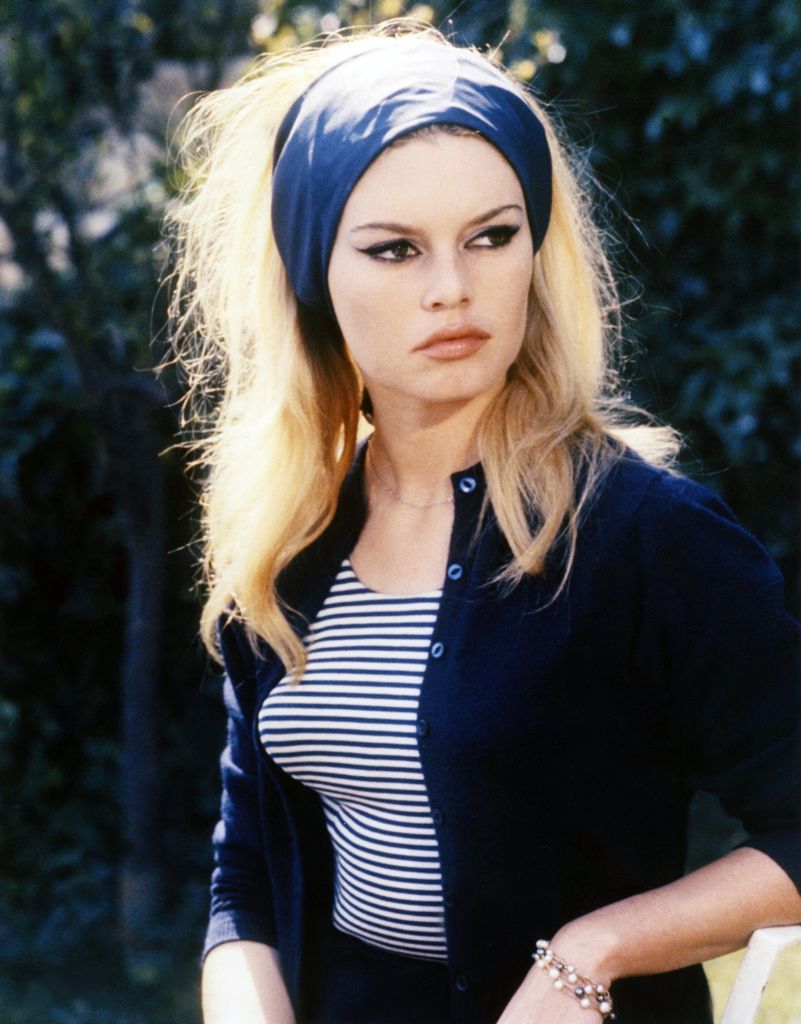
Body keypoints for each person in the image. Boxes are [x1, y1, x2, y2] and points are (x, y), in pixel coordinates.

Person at [166, 21, 801, 1024]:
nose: (452, 289)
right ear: (312, 276)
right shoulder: (287, 534)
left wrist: (593, 951)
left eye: (491, 237)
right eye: (394, 250)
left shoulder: (644, 536)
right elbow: (246, 859)